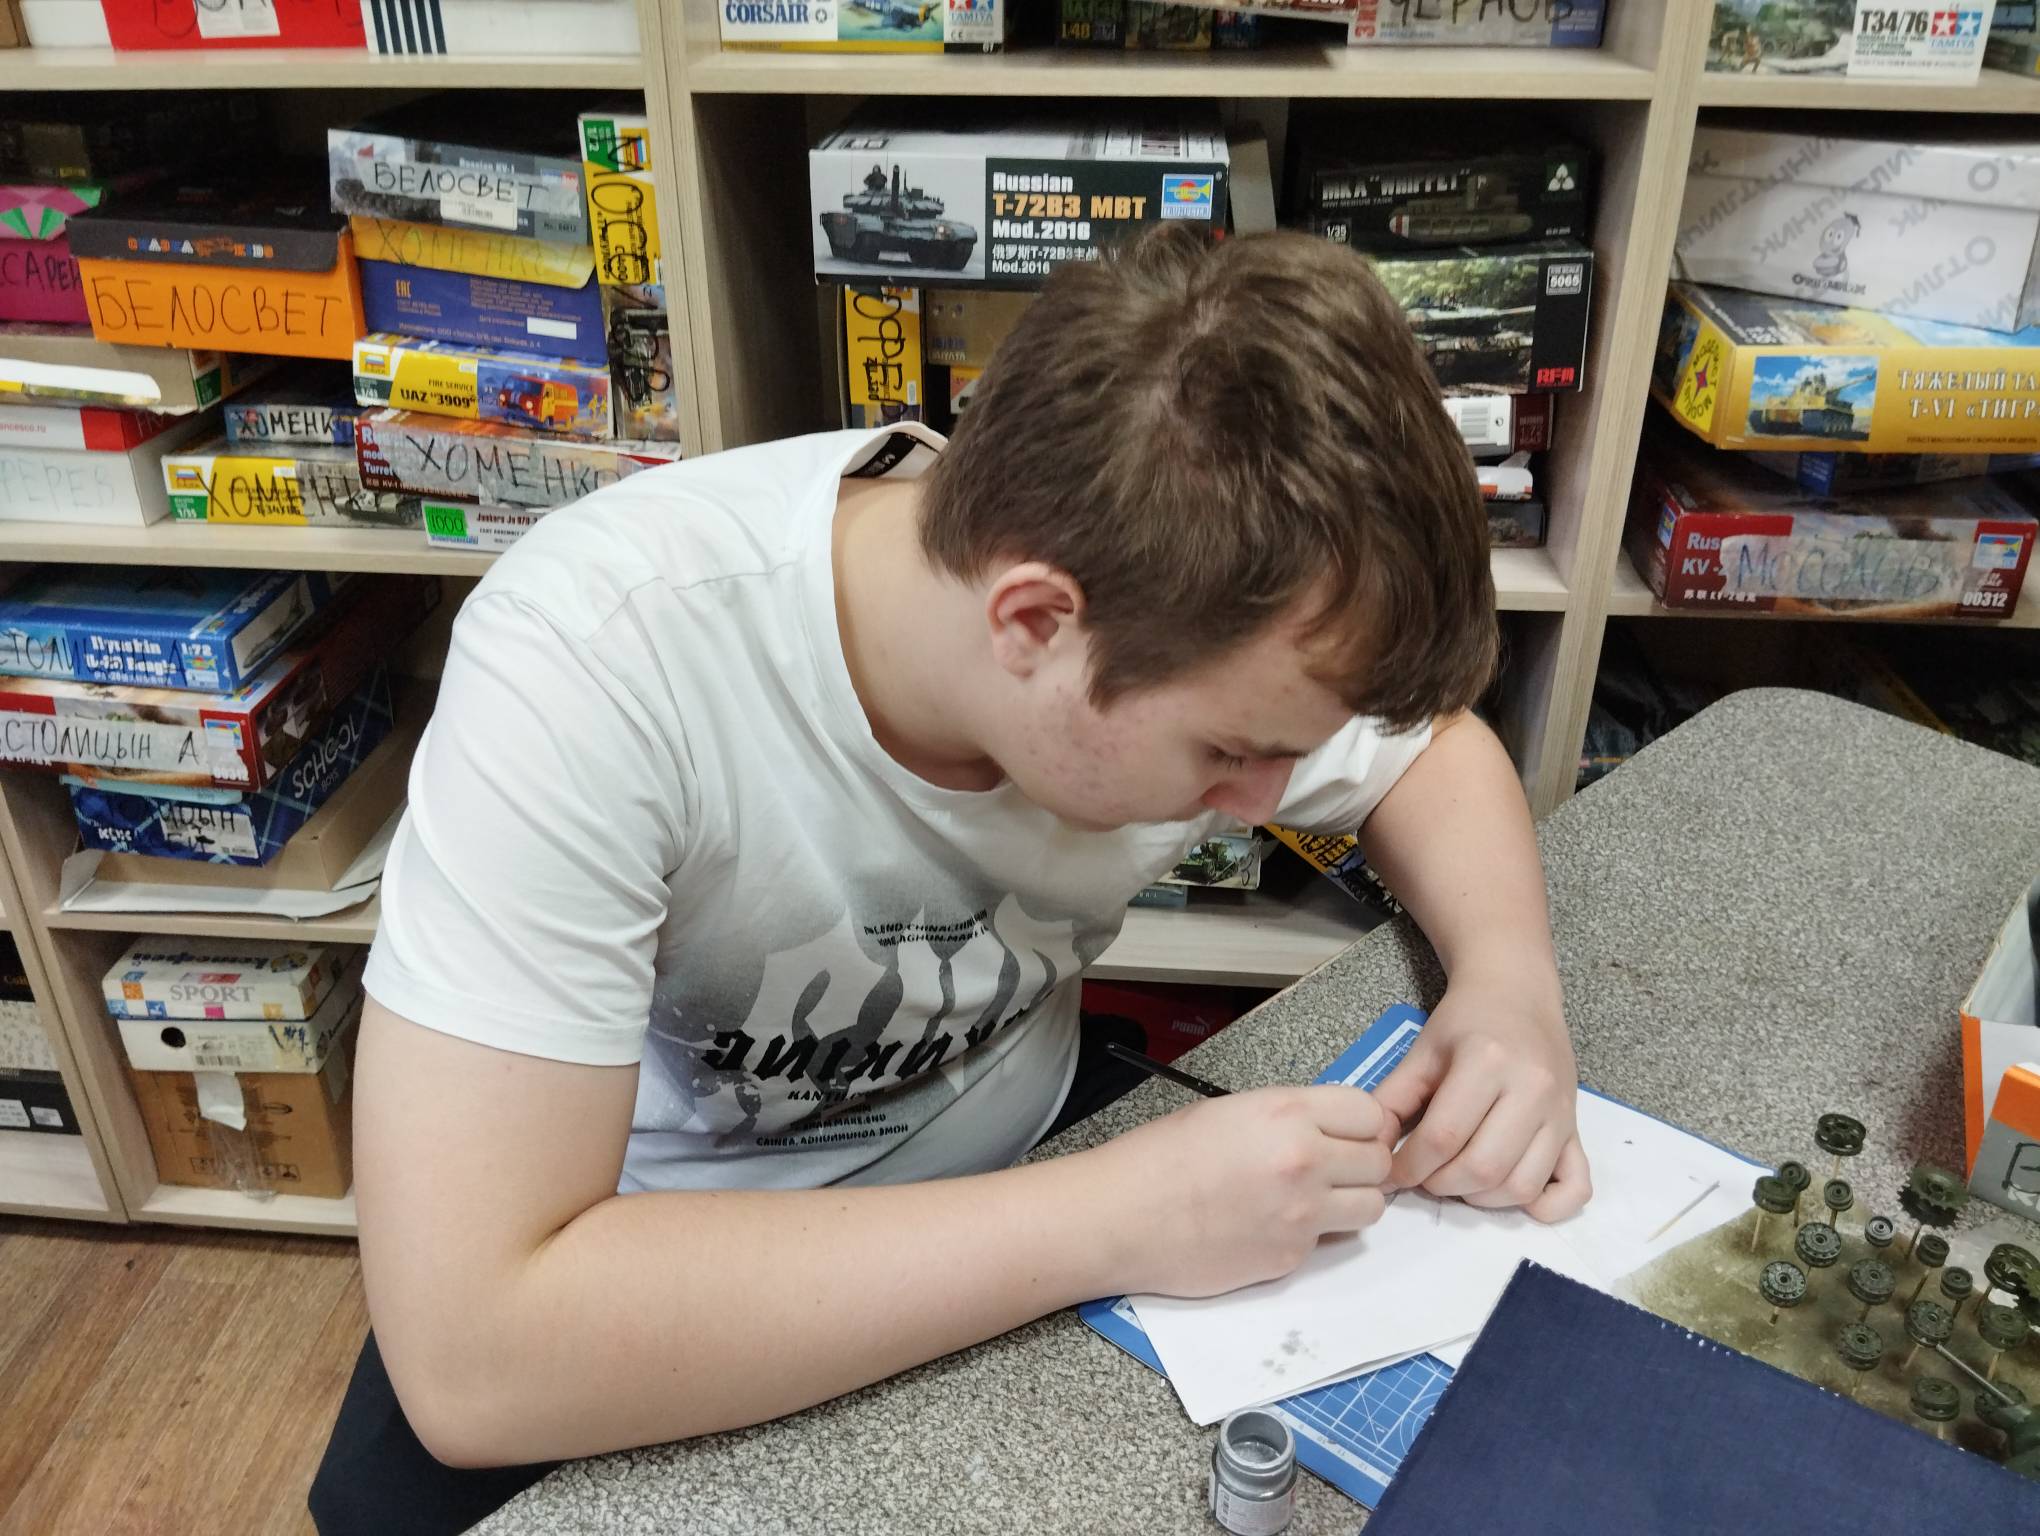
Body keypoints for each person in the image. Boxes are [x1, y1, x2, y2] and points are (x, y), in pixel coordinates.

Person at [310, 226, 1589, 1534]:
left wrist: (1509, 987)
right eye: (1228, 753)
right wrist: (1116, 1217)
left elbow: (1431, 754)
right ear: (1033, 622)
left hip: (1026, 1158)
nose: (1269, 803)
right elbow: (475, 1355)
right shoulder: (593, 665)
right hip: (655, 1264)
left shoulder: (1201, 605)